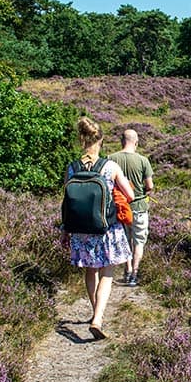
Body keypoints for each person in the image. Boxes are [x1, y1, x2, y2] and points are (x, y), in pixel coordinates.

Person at [62, 117, 134, 340]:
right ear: (100, 141)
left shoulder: (72, 168)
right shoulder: (110, 167)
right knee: (107, 272)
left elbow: (67, 202)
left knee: (90, 270)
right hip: (106, 229)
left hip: (80, 230)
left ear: (82, 141)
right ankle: (98, 318)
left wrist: (65, 231)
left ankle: (95, 311)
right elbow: (130, 195)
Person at [110, 128, 154, 287]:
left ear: (121, 141)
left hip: (119, 207)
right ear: (136, 142)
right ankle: (134, 275)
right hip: (139, 207)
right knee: (138, 241)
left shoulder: (110, 159)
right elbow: (150, 186)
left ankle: (127, 269)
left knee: (124, 239)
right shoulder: (143, 160)